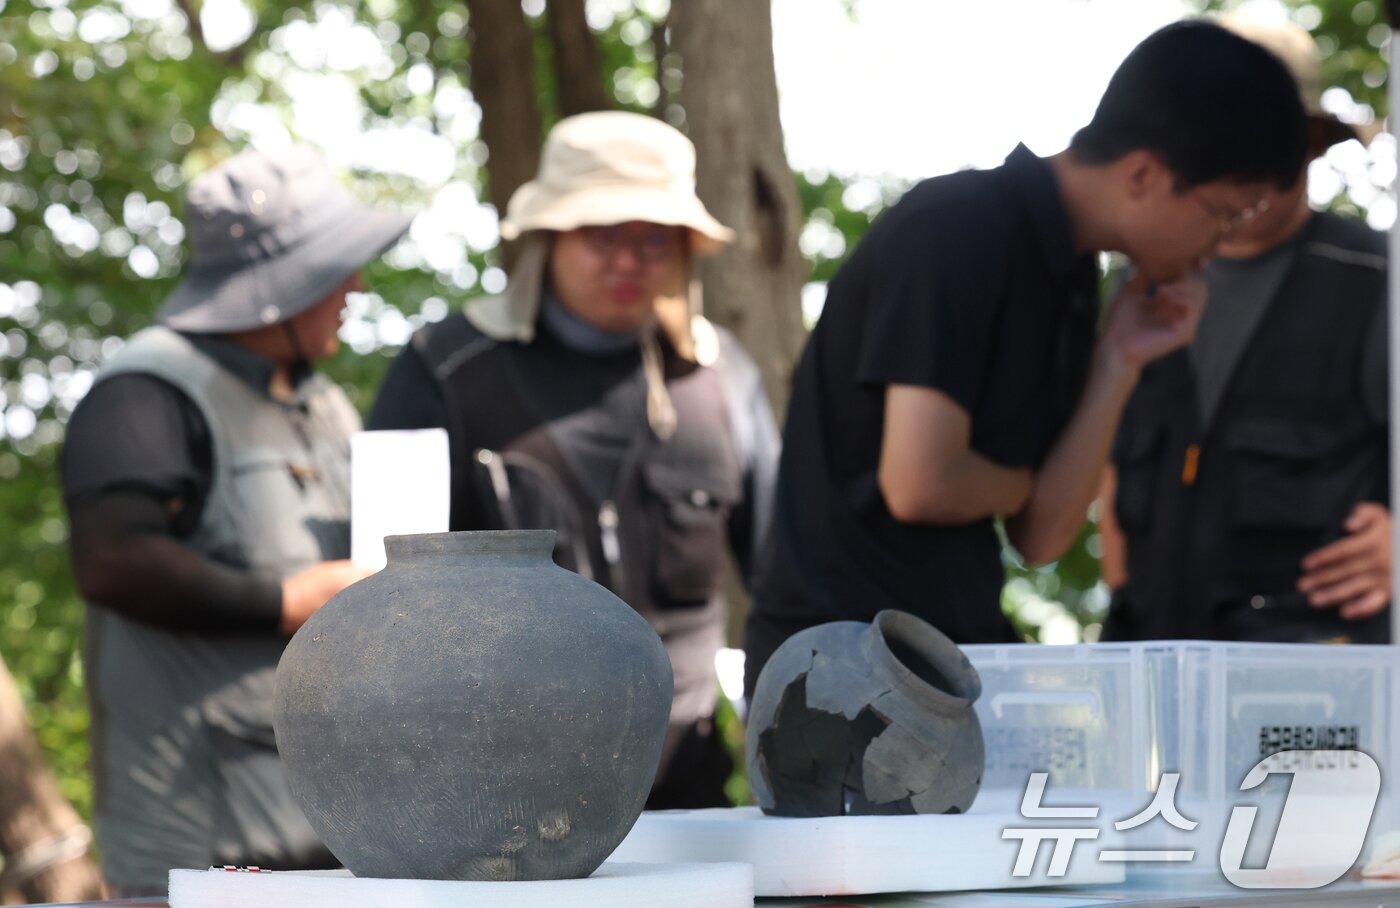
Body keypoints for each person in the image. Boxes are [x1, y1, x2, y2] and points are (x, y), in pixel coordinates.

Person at [743, 20, 1309, 694]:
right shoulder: (958, 227)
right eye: (1226, 213)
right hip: (838, 675)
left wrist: (1118, 361)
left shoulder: (1072, 273)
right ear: (1144, 174)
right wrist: (1017, 484)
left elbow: (1043, 536)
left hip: (952, 656)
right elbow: (921, 481)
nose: (1221, 243)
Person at [368, 111, 780, 809]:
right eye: (602, 235)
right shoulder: (443, 369)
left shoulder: (722, 378)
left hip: (689, 788)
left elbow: (785, 571)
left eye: (654, 239)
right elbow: (374, 596)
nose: (628, 260)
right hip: (493, 795)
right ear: (550, 236)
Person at [61, 148, 410, 895]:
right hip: (202, 850)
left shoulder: (323, 404)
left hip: (331, 829)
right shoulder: (145, 394)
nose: (357, 285)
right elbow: (113, 560)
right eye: (337, 269)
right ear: (285, 286)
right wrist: (284, 601)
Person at [1099, 16, 1390, 644]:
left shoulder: (1376, 278)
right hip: (1153, 659)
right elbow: (1111, 460)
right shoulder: (1136, 281)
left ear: (1311, 140)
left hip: (1314, 685)